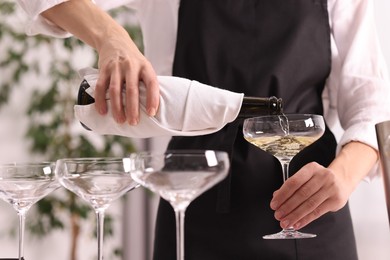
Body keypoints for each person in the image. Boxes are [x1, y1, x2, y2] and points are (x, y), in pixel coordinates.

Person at [17, 0, 390, 259]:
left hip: (312, 204)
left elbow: (370, 101)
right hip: (192, 205)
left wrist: (344, 175)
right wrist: (110, 37)